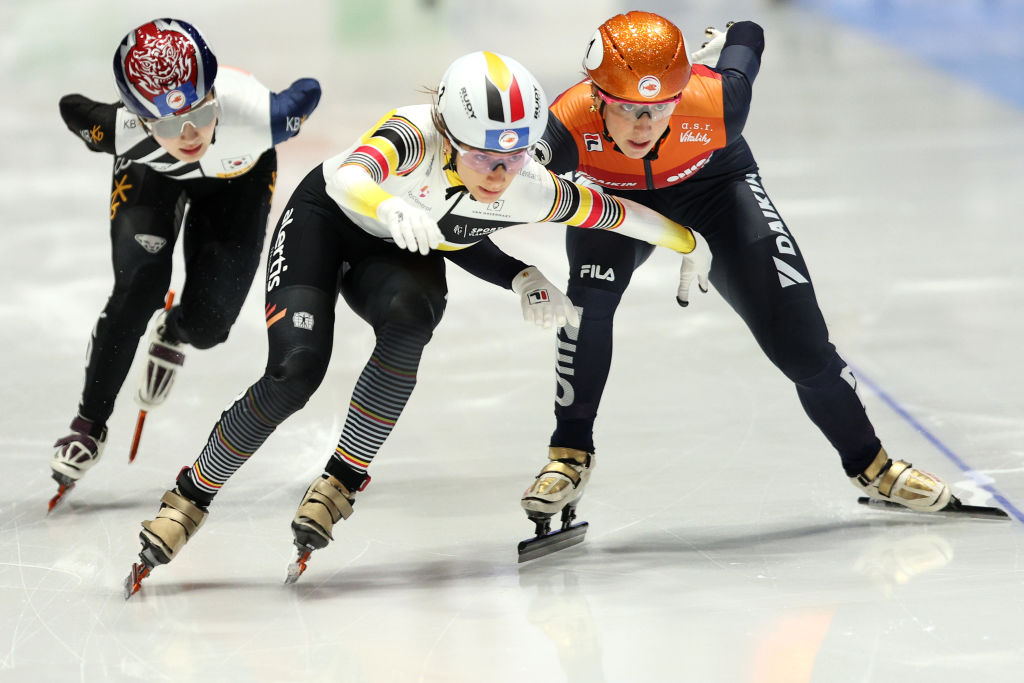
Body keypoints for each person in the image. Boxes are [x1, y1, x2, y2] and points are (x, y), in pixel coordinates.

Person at [125, 50, 711, 591]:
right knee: (295, 373)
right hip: (327, 219)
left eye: (512, 156)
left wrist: (689, 243)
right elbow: (353, 178)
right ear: (449, 135)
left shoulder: (529, 187)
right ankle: (189, 497)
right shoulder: (413, 132)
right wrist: (390, 201)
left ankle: (341, 482)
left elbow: (616, 215)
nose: (498, 174)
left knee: (412, 321)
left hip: (406, 241)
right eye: (482, 155)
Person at [520, 12, 959, 526]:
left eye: (661, 107)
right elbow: (498, 185)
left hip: (716, 190)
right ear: (596, 95)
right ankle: (569, 455)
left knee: (801, 345)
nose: (645, 127)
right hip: (615, 199)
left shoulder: (717, 103)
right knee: (585, 306)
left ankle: (872, 465)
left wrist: (729, 39)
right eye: (628, 110)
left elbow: (751, 30)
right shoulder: (565, 122)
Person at [50, 19, 321, 500]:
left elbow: (308, 92)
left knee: (209, 326)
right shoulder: (121, 131)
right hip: (151, 174)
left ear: (215, 94)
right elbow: (73, 109)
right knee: (137, 289)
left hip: (239, 177)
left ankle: (174, 330)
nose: (190, 133)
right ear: (137, 116)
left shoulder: (262, 118)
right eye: (170, 124)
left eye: (200, 112)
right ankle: (89, 422)